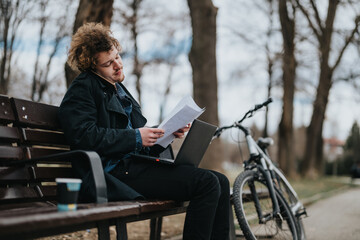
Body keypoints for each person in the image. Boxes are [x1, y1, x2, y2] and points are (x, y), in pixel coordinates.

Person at [59, 22, 230, 240]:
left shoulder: (119, 90)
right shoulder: (84, 87)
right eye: (108, 63)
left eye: (117, 57)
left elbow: (138, 141)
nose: (118, 65)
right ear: (92, 67)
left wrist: (165, 135)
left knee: (221, 182)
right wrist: (137, 136)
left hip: (134, 167)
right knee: (206, 183)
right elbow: (83, 135)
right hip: (112, 174)